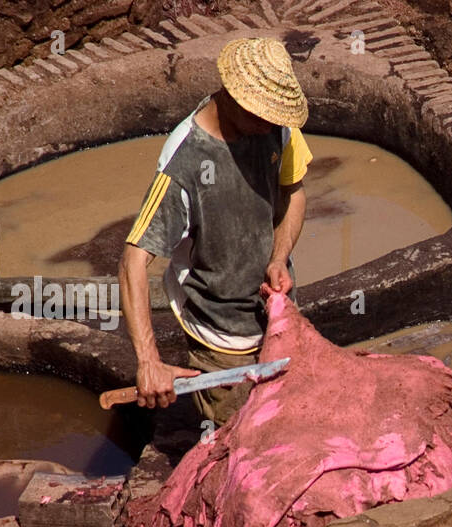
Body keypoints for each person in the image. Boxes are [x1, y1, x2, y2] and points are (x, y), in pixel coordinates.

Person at [118, 36, 313, 426]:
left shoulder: (277, 128)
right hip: (222, 339)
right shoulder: (185, 162)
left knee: (289, 431)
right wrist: (149, 362)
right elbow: (132, 261)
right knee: (236, 447)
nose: (268, 127)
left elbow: (294, 193)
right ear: (234, 98)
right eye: (261, 117)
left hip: (278, 318)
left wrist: (278, 257)